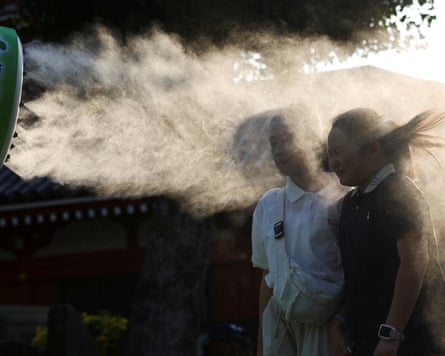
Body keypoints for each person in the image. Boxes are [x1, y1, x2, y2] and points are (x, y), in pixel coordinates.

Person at [327, 108, 445, 356]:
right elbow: (358, 275)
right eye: (330, 155)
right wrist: (339, 320)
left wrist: (392, 334)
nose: (333, 162)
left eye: (338, 152)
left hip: (411, 342)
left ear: (373, 150)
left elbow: (414, 264)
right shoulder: (350, 205)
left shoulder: (398, 191)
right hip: (369, 342)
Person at [251, 105, 344, 356]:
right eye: (274, 143)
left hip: (327, 325)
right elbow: (267, 278)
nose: (279, 149)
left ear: (313, 140)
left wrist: (343, 323)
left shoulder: (342, 197)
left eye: (287, 139)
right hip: (279, 326)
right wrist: (262, 345)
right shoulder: (268, 205)